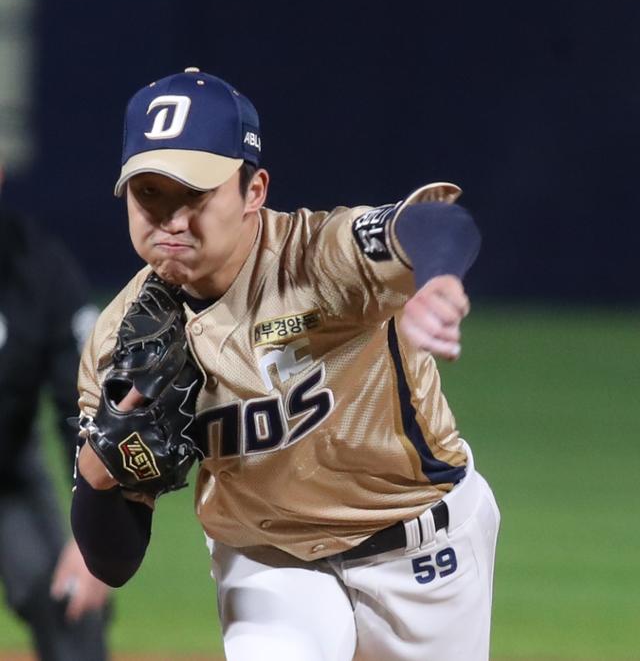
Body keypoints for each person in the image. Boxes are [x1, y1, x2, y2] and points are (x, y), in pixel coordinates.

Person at [72, 67, 500, 661]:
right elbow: (113, 561)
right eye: (150, 192)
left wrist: (435, 276)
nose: (170, 218)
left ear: (254, 192)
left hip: (419, 540)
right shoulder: (116, 341)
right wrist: (99, 470)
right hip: (267, 557)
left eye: (194, 193)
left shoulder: (315, 258)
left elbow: (435, 222)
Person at [0, 161, 111, 661]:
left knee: (71, 598)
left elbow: (82, 402)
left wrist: (91, 534)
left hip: (6, 473)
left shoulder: (36, 266)